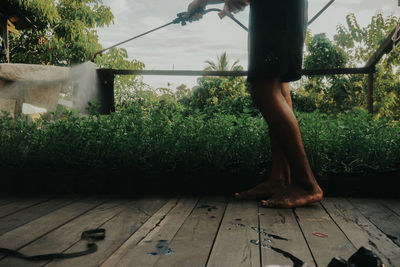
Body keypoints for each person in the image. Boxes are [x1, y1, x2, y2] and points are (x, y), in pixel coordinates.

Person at [184, 0, 323, 208]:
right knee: (277, 84)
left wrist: (201, 2)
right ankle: (279, 178)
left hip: (277, 10)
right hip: (278, 10)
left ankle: (306, 183)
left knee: (263, 89)